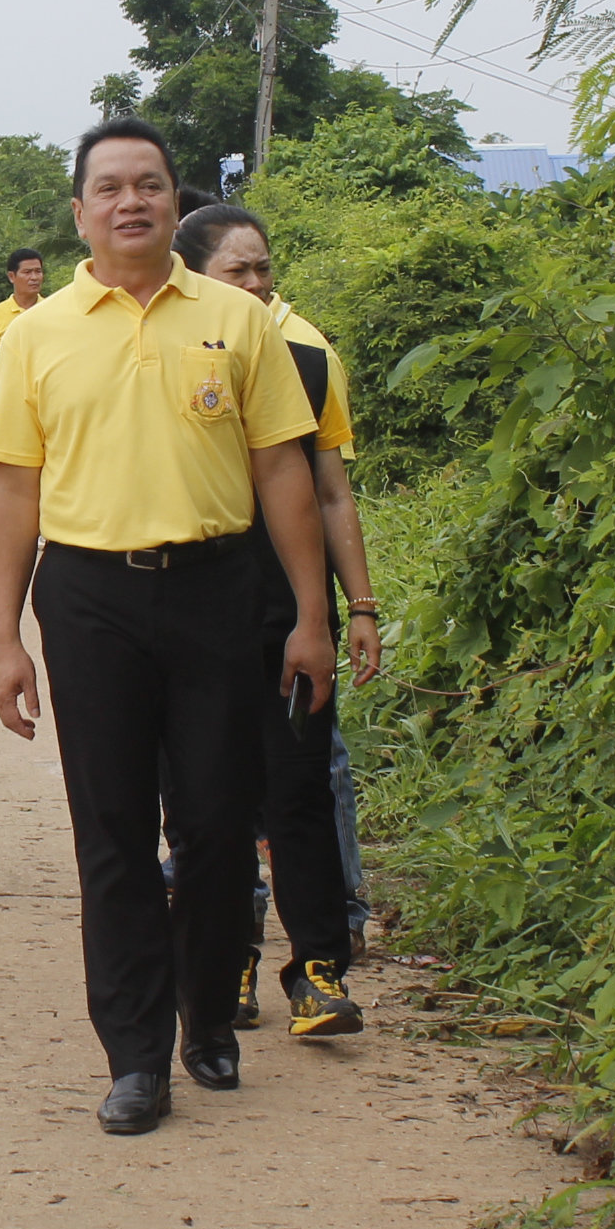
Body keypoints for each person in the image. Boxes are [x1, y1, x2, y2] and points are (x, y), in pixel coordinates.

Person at [0, 119, 339, 1135]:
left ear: (176, 203)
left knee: (223, 823)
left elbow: (284, 473)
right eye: (111, 188)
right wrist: (6, 639)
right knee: (114, 835)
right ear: (81, 211)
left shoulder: (237, 320)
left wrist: (311, 616)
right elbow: (13, 493)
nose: (132, 201)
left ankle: (206, 1018)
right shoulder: (39, 334)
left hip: (219, 591)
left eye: (151, 185)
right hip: (90, 599)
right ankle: (135, 1056)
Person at [174, 204, 376, 1036]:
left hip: (290, 617)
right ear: (194, 279)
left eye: (263, 268)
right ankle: (233, 964)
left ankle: (319, 969)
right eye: (237, 270)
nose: (257, 284)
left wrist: (348, 608)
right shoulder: (164, 364)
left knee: (298, 791)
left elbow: (331, 493)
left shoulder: (307, 363)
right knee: (206, 803)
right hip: (194, 620)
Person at [0, 246, 47, 400]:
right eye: (27, 272)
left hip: (45, 395)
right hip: (10, 396)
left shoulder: (52, 310)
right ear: (12, 276)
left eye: (38, 271)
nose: (34, 277)